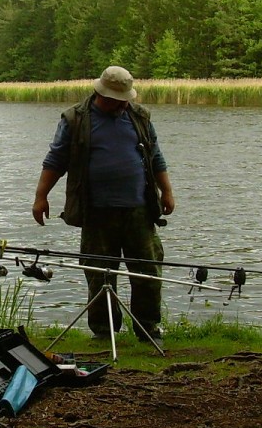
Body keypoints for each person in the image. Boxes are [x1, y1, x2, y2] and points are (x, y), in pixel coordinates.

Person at [32, 65, 176, 339]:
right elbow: (55, 160)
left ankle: (148, 327)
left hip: (139, 210)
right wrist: (41, 197)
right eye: (118, 101)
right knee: (100, 275)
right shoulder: (75, 118)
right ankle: (104, 331)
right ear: (103, 95)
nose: (123, 105)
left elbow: (156, 156)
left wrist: (166, 191)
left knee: (148, 271)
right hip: (96, 212)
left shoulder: (140, 117)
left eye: (126, 100)